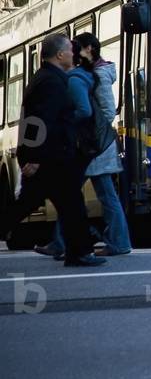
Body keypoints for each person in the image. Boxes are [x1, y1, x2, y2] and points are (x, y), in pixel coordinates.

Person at [0, 33, 105, 267]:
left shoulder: (48, 78)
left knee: (65, 204)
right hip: (51, 158)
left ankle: (78, 252)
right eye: (70, 49)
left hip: (52, 156)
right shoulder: (51, 82)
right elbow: (40, 122)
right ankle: (79, 252)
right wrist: (34, 158)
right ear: (59, 55)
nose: (74, 53)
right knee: (53, 204)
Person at [36, 33, 131, 258]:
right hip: (93, 144)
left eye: (76, 48)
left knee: (76, 193)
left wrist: (85, 131)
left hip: (94, 145)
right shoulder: (89, 73)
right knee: (74, 193)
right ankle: (65, 242)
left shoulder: (97, 74)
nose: (73, 52)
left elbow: (107, 111)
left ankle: (113, 242)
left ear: (88, 49)